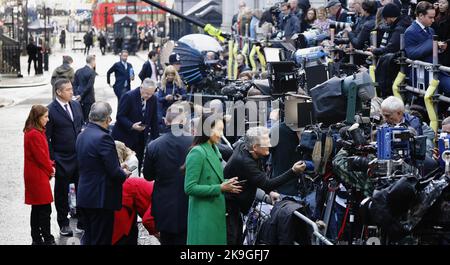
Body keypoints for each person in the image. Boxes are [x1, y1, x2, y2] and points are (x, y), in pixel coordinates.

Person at [224, 126, 307, 245]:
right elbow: (266, 184)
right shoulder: (245, 162)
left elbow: (262, 180)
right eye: (265, 142)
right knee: (232, 240)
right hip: (229, 207)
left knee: (237, 239)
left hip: (237, 206)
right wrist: (293, 171)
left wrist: (270, 192)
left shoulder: (247, 148)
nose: (270, 144)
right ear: (255, 147)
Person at [76, 102, 130, 245]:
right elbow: (114, 173)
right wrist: (124, 172)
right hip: (101, 199)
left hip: (85, 195)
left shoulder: (82, 135)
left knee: (89, 238)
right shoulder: (104, 138)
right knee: (101, 240)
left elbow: (93, 164)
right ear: (107, 119)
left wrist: (118, 166)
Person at [184, 113, 243, 245]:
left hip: (215, 212)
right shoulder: (197, 152)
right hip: (203, 214)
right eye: (219, 130)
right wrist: (220, 187)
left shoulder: (215, 149)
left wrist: (226, 183)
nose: (221, 134)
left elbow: (211, 179)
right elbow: (189, 187)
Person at [143, 104, 193, 245]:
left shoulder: (154, 145)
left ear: (166, 121)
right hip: (189, 201)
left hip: (164, 203)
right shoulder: (195, 142)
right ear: (184, 122)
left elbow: (148, 176)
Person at [46, 79, 84, 237]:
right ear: (58, 92)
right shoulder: (50, 110)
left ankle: (82, 220)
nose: (72, 91)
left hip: (78, 156)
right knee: (61, 192)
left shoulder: (75, 105)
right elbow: (46, 138)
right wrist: (52, 160)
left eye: (71, 88)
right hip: (61, 158)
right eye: (68, 89)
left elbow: (81, 126)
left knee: (82, 188)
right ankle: (63, 223)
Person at [23, 105, 56, 245]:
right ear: (37, 118)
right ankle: (46, 238)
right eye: (45, 117)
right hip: (37, 175)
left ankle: (36, 238)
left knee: (37, 208)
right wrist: (51, 168)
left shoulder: (34, 131)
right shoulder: (34, 134)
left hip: (35, 173)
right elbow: (41, 156)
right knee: (44, 209)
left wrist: (49, 164)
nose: (48, 120)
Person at [112, 78, 159, 173]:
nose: (148, 96)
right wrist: (132, 125)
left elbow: (154, 119)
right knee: (125, 165)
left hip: (141, 137)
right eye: (146, 93)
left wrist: (156, 140)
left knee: (138, 163)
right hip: (125, 137)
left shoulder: (153, 99)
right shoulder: (129, 96)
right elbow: (120, 116)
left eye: (150, 94)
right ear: (141, 87)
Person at [112, 177, 157, 245]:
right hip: (125, 196)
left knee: (132, 233)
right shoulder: (165, 200)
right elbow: (148, 221)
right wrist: (160, 236)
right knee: (121, 235)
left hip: (132, 198)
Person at [157, 66, 186, 131]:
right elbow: (159, 98)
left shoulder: (178, 83)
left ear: (174, 75)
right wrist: (165, 98)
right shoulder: (163, 84)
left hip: (177, 109)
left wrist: (181, 97)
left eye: (172, 75)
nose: (170, 77)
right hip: (166, 110)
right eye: (169, 75)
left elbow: (184, 95)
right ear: (166, 75)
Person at [73, 55, 97, 122]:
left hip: (78, 99)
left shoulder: (78, 71)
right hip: (88, 99)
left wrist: (77, 94)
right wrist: (81, 95)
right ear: (92, 61)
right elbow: (89, 86)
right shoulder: (92, 72)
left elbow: (74, 84)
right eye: (95, 61)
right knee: (89, 119)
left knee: (80, 118)